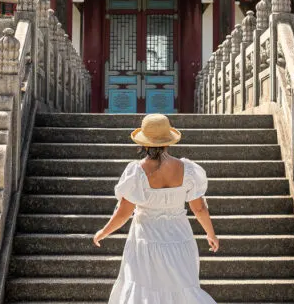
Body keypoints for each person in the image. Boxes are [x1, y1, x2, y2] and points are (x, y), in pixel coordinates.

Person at [93, 113, 219, 304]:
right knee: (183, 289)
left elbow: (124, 213)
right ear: (168, 141)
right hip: (180, 238)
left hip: (146, 240)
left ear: (143, 143)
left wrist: (104, 231)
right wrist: (211, 234)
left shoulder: (136, 171)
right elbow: (199, 208)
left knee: (144, 291)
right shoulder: (187, 169)